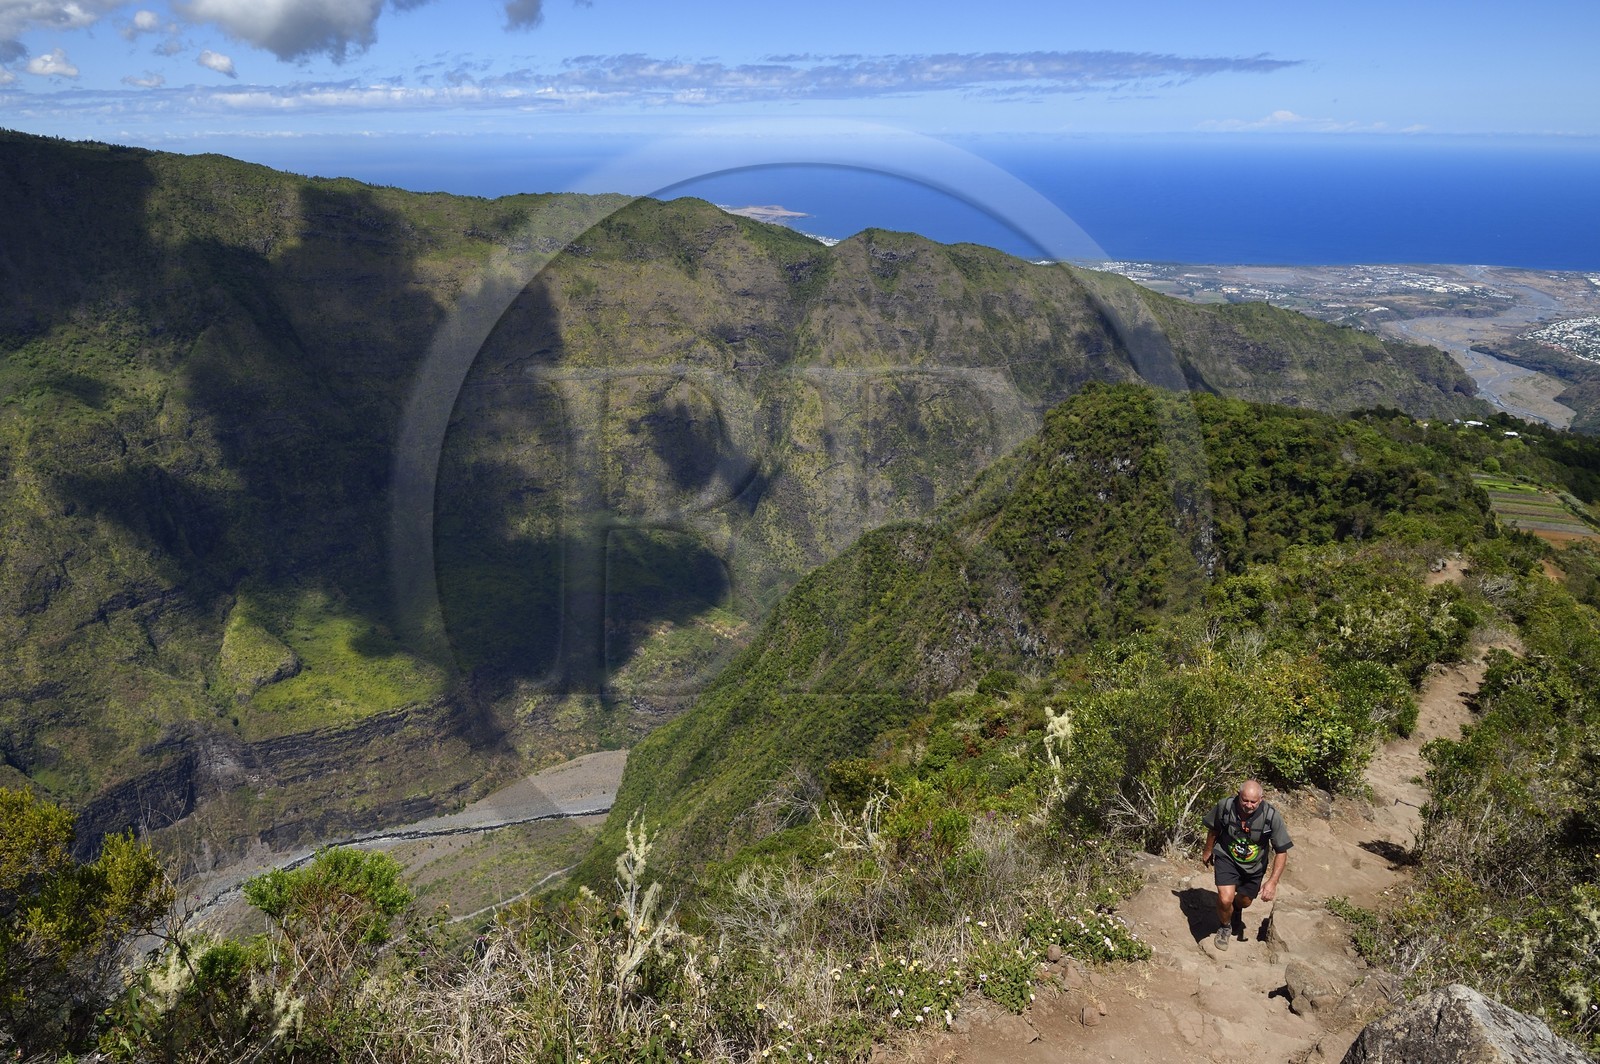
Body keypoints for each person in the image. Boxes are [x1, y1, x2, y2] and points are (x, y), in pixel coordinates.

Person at [1201, 779, 1291, 950]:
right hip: (1227, 857)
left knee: (1244, 901)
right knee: (1225, 898)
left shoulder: (1271, 817)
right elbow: (1214, 829)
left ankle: (1236, 909)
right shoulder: (1225, 807)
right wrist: (1208, 850)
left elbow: (1282, 851)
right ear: (1238, 795)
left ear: (1261, 799)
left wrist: (1272, 882)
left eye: (1253, 802)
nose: (1248, 805)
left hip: (1254, 867)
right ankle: (1225, 926)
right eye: (1245, 800)